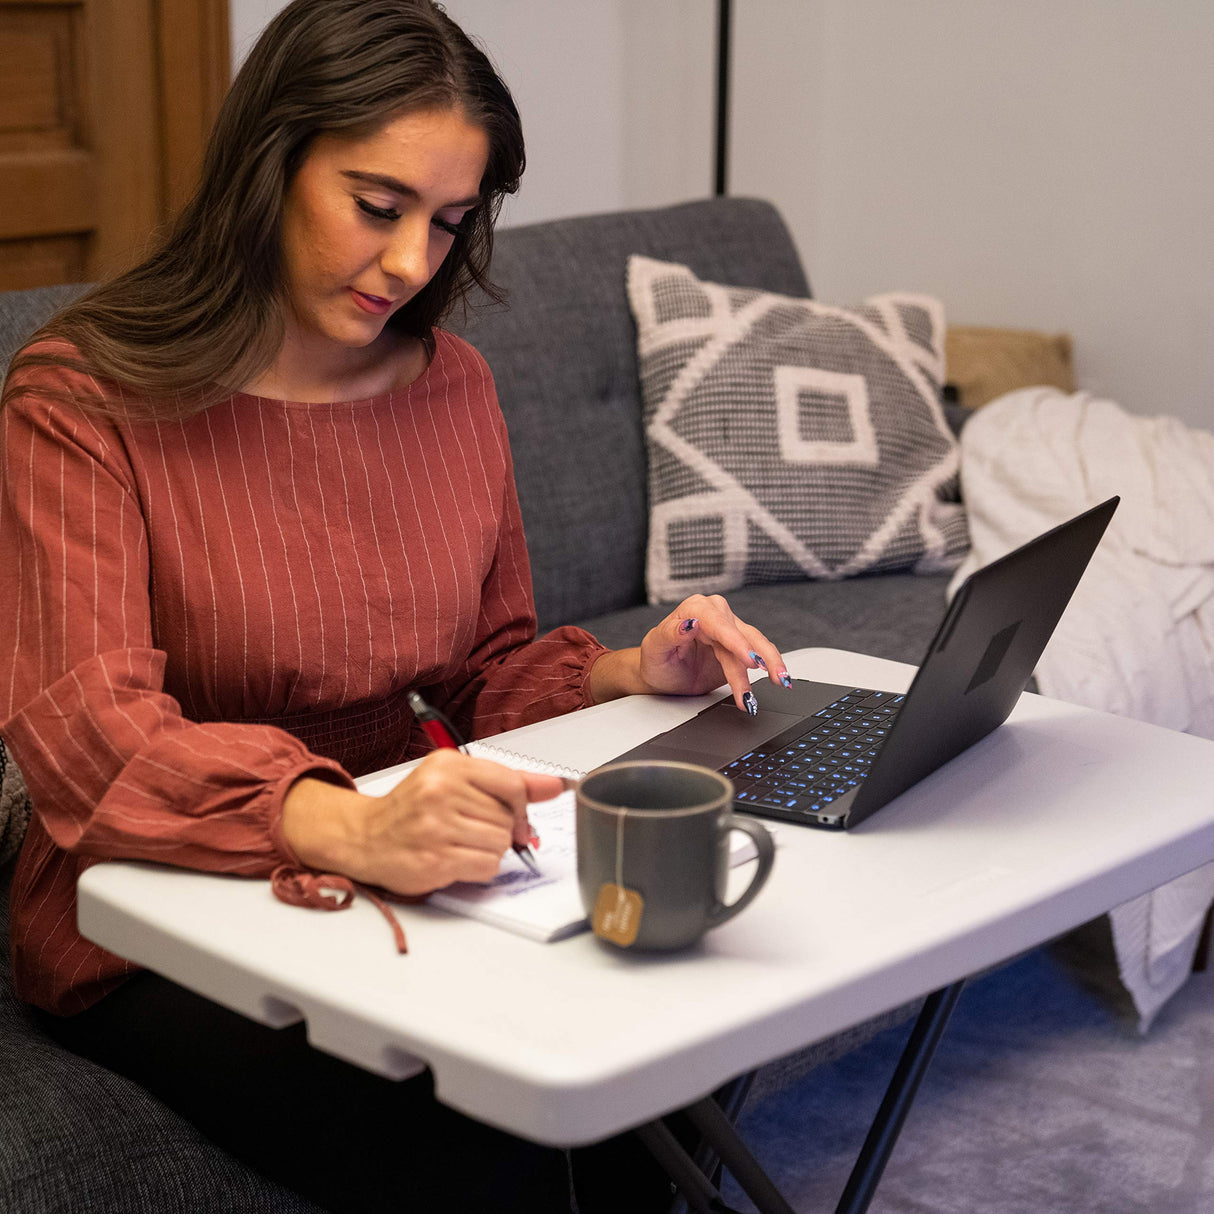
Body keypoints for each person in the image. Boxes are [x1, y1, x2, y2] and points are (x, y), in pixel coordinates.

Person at [0, 1, 791, 1209]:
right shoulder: (80, 395)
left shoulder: (449, 384)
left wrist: (633, 671)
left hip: (409, 846)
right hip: (156, 899)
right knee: (485, 1142)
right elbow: (88, 740)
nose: (413, 263)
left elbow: (483, 672)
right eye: (376, 206)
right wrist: (347, 826)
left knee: (662, 1040)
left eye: (449, 221)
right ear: (269, 164)